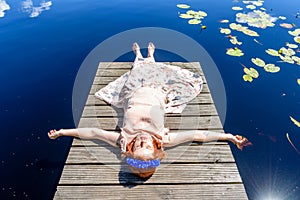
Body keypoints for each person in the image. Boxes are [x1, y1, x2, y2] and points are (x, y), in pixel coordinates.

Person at [48, 42, 252, 179]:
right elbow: (198, 135)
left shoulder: (123, 139)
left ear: (130, 149)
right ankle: (150, 55)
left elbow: (92, 133)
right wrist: (228, 136)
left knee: (136, 72)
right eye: (147, 145)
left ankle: (138, 55)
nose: (142, 140)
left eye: (139, 146)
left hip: (133, 93)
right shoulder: (164, 139)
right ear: (155, 149)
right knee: (154, 72)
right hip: (157, 93)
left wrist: (63, 132)